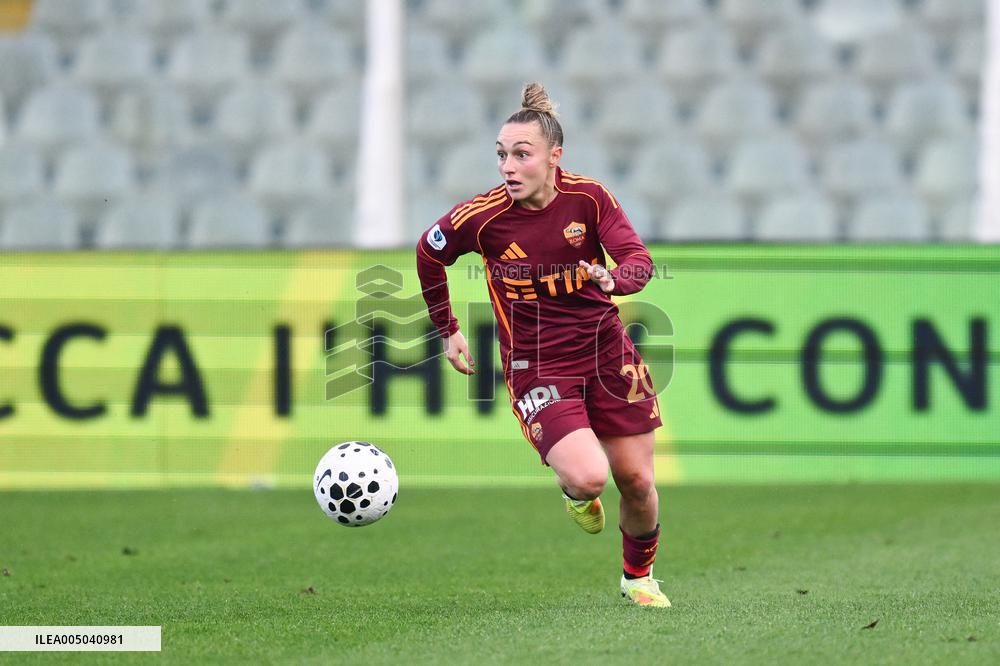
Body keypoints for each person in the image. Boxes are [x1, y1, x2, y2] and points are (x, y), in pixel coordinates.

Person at [415, 83, 668, 607]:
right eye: (502, 155)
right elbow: (428, 251)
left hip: (607, 354)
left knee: (638, 482)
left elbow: (638, 262)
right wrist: (448, 328)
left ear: (555, 157)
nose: (508, 166)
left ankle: (638, 578)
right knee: (589, 478)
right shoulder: (482, 217)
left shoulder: (589, 199)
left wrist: (612, 279)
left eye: (521, 154)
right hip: (538, 365)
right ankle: (573, 491)